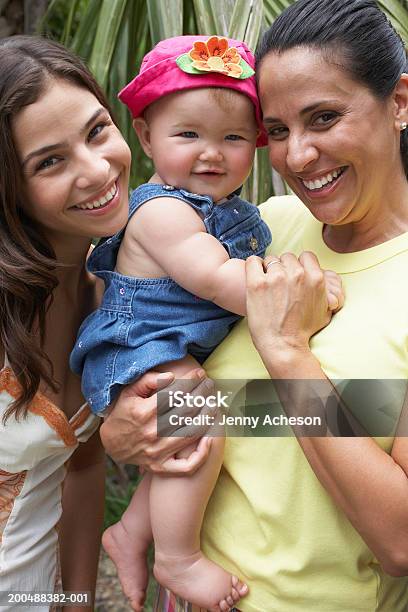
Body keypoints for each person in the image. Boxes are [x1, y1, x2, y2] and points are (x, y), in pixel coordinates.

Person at [101, 1, 408, 610]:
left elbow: (400, 541)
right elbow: (231, 411)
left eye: (324, 117)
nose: (297, 157)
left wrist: (288, 352)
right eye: (279, 130)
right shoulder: (262, 229)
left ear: (399, 101)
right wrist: (127, 427)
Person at [69, 34, 343, 612]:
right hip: (137, 345)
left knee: (189, 429)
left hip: (167, 345)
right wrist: (308, 291)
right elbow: (221, 280)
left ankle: (133, 530)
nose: (211, 153)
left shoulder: (238, 215)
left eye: (234, 137)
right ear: (145, 136)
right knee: (202, 410)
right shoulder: (164, 212)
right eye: (187, 134)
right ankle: (177, 557)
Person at [0, 35, 211, 612]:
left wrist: (76, 602)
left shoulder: (130, 292)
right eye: (49, 161)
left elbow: (82, 468)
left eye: (96, 131)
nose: (97, 169)